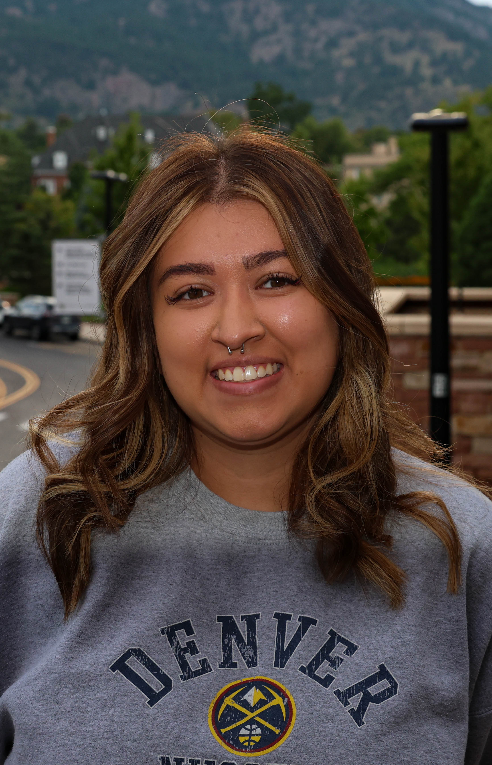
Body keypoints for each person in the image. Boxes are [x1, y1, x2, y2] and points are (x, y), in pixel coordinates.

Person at [0, 128, 491, 765]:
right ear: (147, 326)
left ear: (341, 301)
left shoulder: (460, 546)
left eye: (277, 280)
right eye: (191, 292)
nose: (236, 328)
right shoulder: (37, 519)